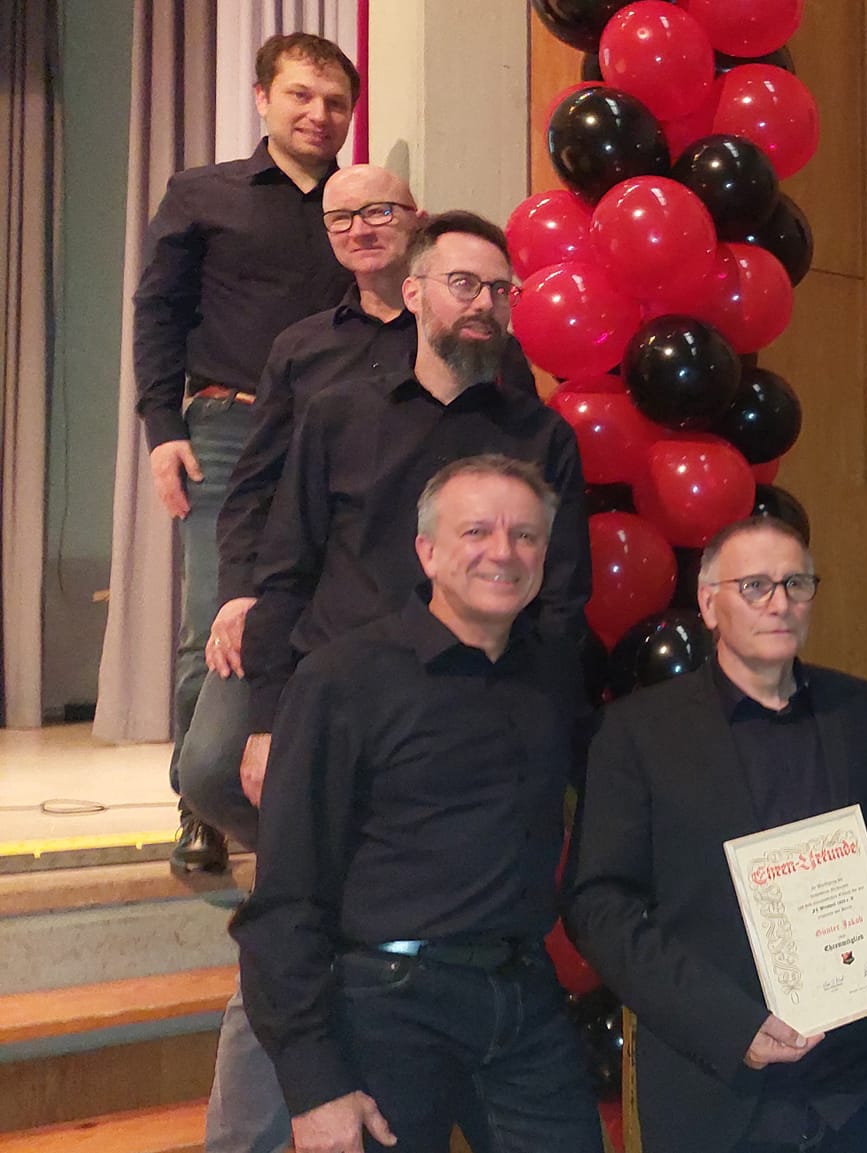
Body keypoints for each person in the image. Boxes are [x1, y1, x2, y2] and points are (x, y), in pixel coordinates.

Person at [202, 210, 590, 1153]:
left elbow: (559, 601)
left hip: (469, 723)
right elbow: (286, 569)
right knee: (295, 943)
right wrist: (269, 718)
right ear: (412, 293)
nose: (485, 303)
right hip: (341, 718)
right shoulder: (339, 412)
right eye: (464, 283)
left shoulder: (539, 435)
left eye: (501, 289)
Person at [232, 454, 604, 1153]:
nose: (504, 551)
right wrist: (314, 1083)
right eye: (477, 532)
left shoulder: (554, 673)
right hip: (384, 1006)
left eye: (525, 535)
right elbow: (285, 894)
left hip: (523, 997)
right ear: (427, 551)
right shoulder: (342, 679)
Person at [176, 166, 537, 854]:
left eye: (379, 212)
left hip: (433, 600)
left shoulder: (477, 341)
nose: (360, 229)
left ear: (416, 219)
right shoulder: (299, 348)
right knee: (213, 770)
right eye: (341, 218)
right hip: (305, 593)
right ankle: (318, 865)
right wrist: (241, 594)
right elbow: (253, 488)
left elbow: (523, 474)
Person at [565, 517, 867, 1153]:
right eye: (755, 586)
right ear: (710, 604)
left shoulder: (854, 709)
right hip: (716, 1085)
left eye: (796, 583)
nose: (779, 603)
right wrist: (728, 1024)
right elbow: (598, 906)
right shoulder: (636, 732)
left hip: (848, 1089)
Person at [130, 32, 358, 872]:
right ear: (263, 98)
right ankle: (200, 804)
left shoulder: (359, 212)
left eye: (335, 102)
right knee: (212, 622)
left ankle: (291, 786)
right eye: (301, 94)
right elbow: (158, 312)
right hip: (226, 429)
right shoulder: (202, 194)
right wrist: (164, 429)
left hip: (331, 439)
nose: (318, 114)